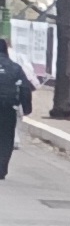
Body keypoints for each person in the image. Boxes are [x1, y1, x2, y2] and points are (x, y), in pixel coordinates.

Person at [0, 44, 30, 178]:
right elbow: (25, 88)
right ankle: (1, 168)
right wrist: (27, 107)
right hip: (8, 107)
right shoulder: (15, 68)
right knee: (6, 138)